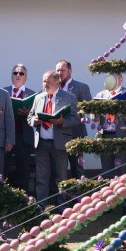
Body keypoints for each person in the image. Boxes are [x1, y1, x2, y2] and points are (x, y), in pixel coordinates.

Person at [27, 71, 79, 206]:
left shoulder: (69, 97)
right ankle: (41, 207)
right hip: (41, 144)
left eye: (48, 82)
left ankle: (62, 206)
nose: (45, 84)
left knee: (61, 178)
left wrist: (61, 122)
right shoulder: (39, 97)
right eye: (43, 81)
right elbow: (30, 117)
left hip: (60, 144)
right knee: (41, 178)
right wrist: (34, 121)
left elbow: (75, 119)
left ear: (57, 81)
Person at [55, 60, 91, 179]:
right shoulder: (52, 87)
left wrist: (67, 119)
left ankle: (79, 191)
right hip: (58, 134)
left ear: (70, 71)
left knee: (77, 168)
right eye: (57, 70)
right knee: (59, 169)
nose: (59, 73)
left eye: (62, 70)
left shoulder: (82, 87)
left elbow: (86, 110)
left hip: (75, 133)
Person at [4, 64, 36, 194]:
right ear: (11, 76)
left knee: (23, 169)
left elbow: (37, 116)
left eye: (21, 73)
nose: (18, 75)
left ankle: (23, 198)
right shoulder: (3, 92)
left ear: (26, 77)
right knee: (3, 168)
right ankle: (5, 196)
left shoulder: (32, 94)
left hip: (24, 136)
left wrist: (28, 113)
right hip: (6, 136)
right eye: (15, 73)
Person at [95, 73, 126, 178]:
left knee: (123, 168)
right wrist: (95, 113)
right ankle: (107, 186)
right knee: (106, 168)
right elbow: (96, 118)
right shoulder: (101, 95)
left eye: (113, 77)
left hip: (121, 135)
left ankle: (124, 187)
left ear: (121, 79)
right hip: (105, 135)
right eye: (108, 77)